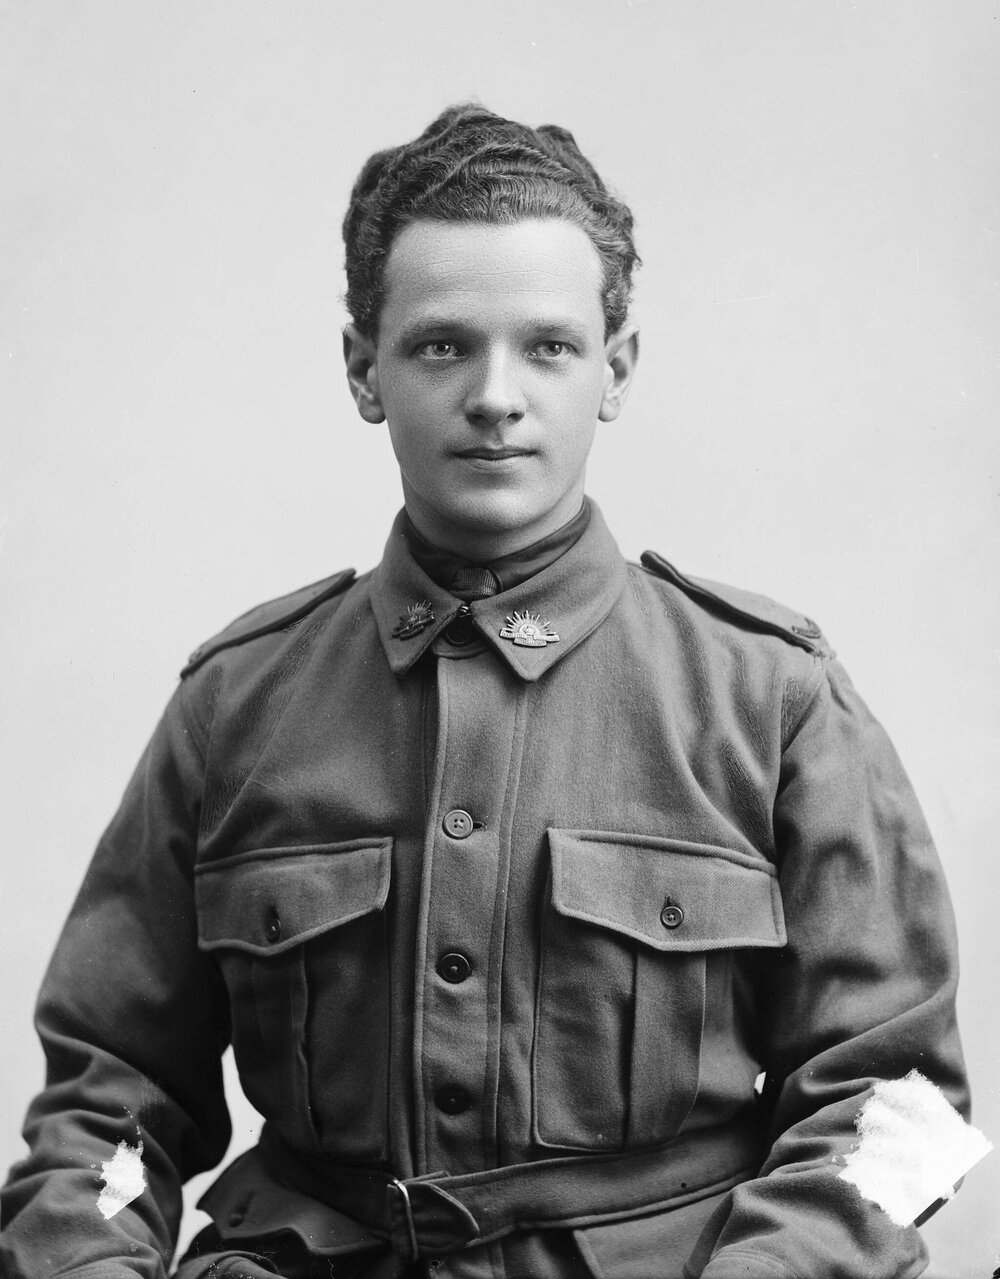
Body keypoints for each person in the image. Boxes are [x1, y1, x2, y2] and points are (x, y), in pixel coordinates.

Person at [0, 104, 972, 1279]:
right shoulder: (236, 705)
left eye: (549, 347)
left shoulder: (769, 697)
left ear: (615, 371)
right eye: (443, 344)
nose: (495, 396)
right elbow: (106, 1107)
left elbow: (895, 1099)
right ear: (364, 368)